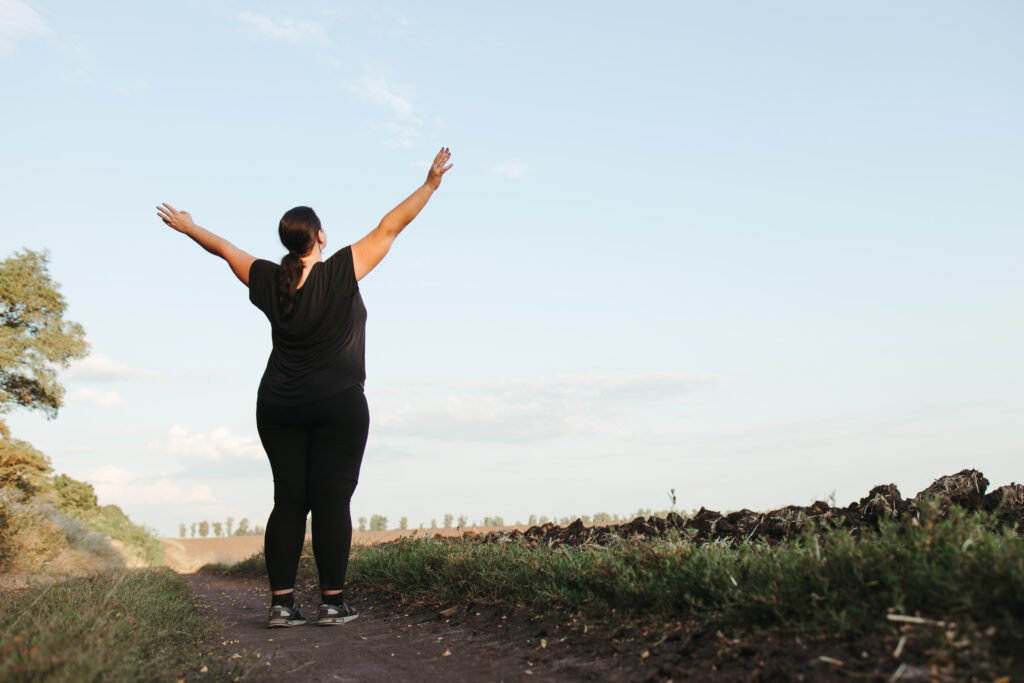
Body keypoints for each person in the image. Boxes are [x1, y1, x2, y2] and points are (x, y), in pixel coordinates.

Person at [157, 147, 453, 628]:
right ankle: (333, 603)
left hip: (278, 404)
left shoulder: (270, 279)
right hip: (337, 403)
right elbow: (390, 226)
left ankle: (281, 605)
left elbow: (225, 249)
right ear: (319, 236)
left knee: (289, 501)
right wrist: (429, 185)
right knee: (332, 501)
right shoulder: (340, 270)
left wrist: (190, 227)